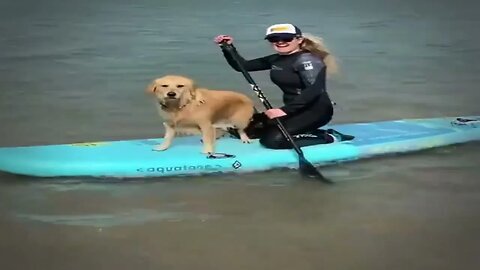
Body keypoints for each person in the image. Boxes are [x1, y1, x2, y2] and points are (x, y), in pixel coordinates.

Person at [213, 23, 353, 149]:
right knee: (250, 131)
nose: (280, 42)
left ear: (299, 40)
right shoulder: (276, 59)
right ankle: (307, 132)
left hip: (315, 111)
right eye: (274, 39)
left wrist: (284, 110)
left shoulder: (307, 60)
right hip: (293, 111)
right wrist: (227, 48)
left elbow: (315, 90)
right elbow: (242, 66)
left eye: (286, 38)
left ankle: (328, 137)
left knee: (272, 141)